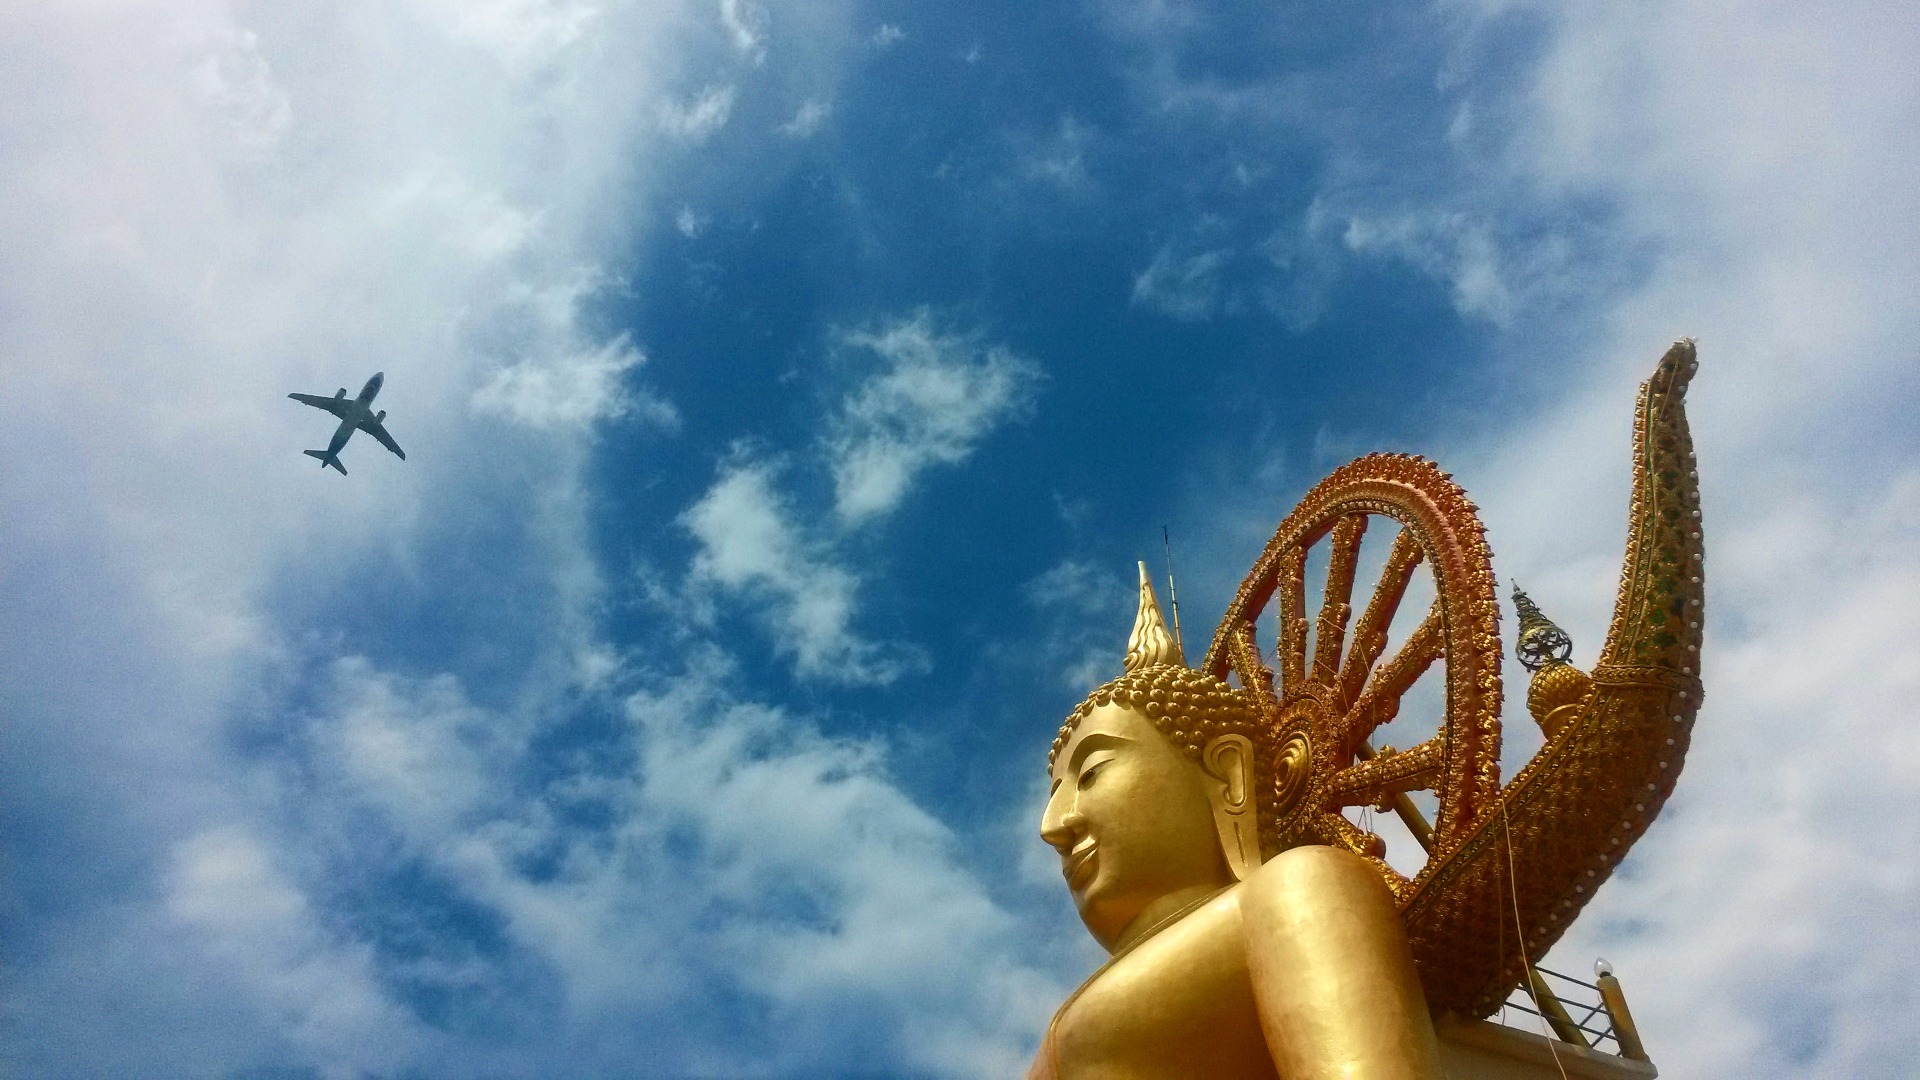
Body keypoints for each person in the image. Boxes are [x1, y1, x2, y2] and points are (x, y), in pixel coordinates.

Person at [1029, 566, 1443, 1080]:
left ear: (1229, 774)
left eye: (1091, 773)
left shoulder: (1292, 889)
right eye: (1056, 795)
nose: (1053, 826)